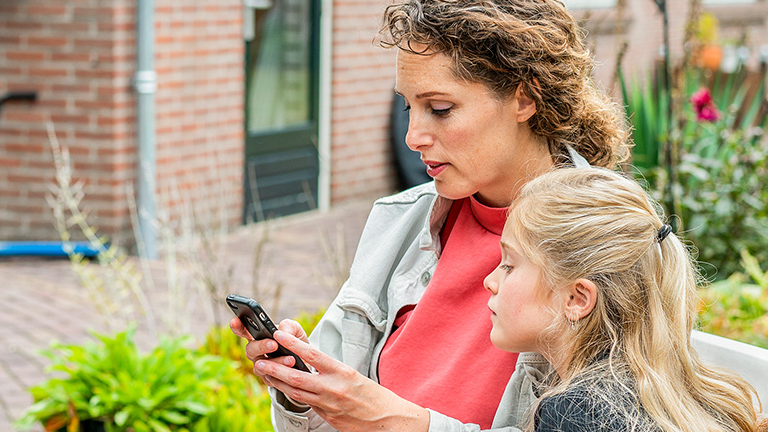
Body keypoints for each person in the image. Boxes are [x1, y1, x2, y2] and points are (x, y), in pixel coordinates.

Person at [231, 0, 629, 430]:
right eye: (408, 107)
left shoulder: (609, 247)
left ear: (525, 96)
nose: (412, 137)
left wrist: (397, 421)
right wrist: (305, 394)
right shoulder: (398, 222)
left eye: (440, 109)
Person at [483, 167, 761, 432]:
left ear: (577, 298)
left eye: (508, 265)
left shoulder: (576, 415)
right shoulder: (693, 395)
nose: (490, 281)